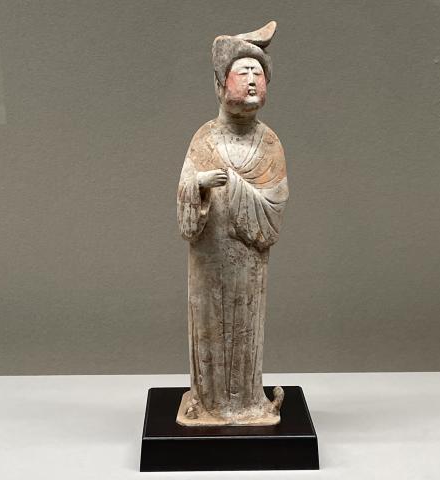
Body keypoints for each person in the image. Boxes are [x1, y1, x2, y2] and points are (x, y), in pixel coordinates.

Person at [176, 21, 289, 426]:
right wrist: (199, 185)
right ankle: (206, 401)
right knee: (209, 324)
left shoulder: (269, 142)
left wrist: (239, 188)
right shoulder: (205, 139)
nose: (253, 80)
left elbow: (275, 205)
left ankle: (246, 403)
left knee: (245, 328)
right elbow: (185, 193)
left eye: (258, 73)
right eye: (243, 72)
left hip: (247, 262)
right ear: (220, 84)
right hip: (209, 259)